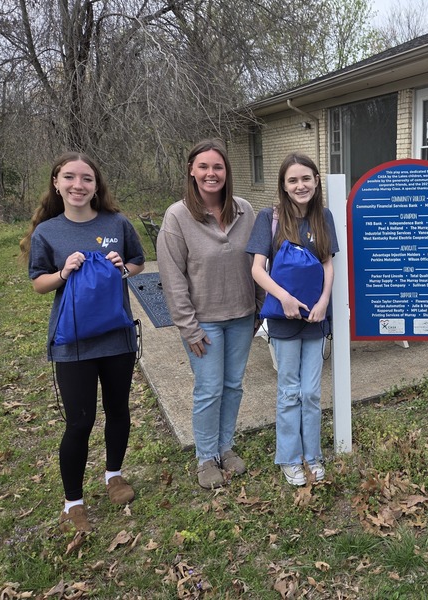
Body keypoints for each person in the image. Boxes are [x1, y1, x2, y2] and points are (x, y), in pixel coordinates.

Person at [20, 152, 145, 533]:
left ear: (96, 185)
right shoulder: (48, 232)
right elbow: (39, 283)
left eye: (86, 178)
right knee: (79, 421)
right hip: (72, 342)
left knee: (118, 410)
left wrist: (122, 266)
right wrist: (63, 271)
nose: (78, 185)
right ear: (56, 183)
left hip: (117, 337)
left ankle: (114, 476)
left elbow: (138, 261)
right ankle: (73, 501)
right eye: (70, 178)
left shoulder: (116, 223)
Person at [157, 139, 263, 489]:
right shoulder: (177, 216)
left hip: (242, 316)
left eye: (217, 167)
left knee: (233, 386)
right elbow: (172, 278)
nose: (211, 173)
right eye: (203, 167)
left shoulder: (245, 210)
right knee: (208, 390)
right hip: (204, 323)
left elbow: (259, 261)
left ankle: (225, 447)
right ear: (192, 171)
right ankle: (206, 457)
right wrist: (188, 327)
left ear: (226, 172)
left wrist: (260, 310)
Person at [247, 153, 338, 486]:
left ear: (316, 180)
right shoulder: (268, 219)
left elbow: (327, 263)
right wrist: (283, 297)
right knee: (289, 391)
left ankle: (312, 454)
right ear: (284, 186)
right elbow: (257, 269)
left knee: (311, 392)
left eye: (306, 178)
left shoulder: (322, 217)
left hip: (315, 320)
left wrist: (325, 301)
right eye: (293, 180)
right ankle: (288, 456)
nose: (300, 186)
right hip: (284, 321)